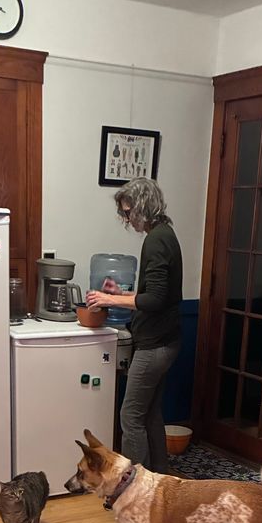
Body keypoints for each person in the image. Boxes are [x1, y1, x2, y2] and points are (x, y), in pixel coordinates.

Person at [87, 178, 182, 473]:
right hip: (167, 340)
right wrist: (121, 294)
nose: (126, 219)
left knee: (130, 416)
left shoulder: (156, 241)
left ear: (142, 208)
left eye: (128, 213)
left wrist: (109, 299)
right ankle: (159, 480)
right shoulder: (166, 234)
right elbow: (160, 295)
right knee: (150, 413)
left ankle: (132, 487)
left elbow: (154, 300)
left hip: (155, 345)